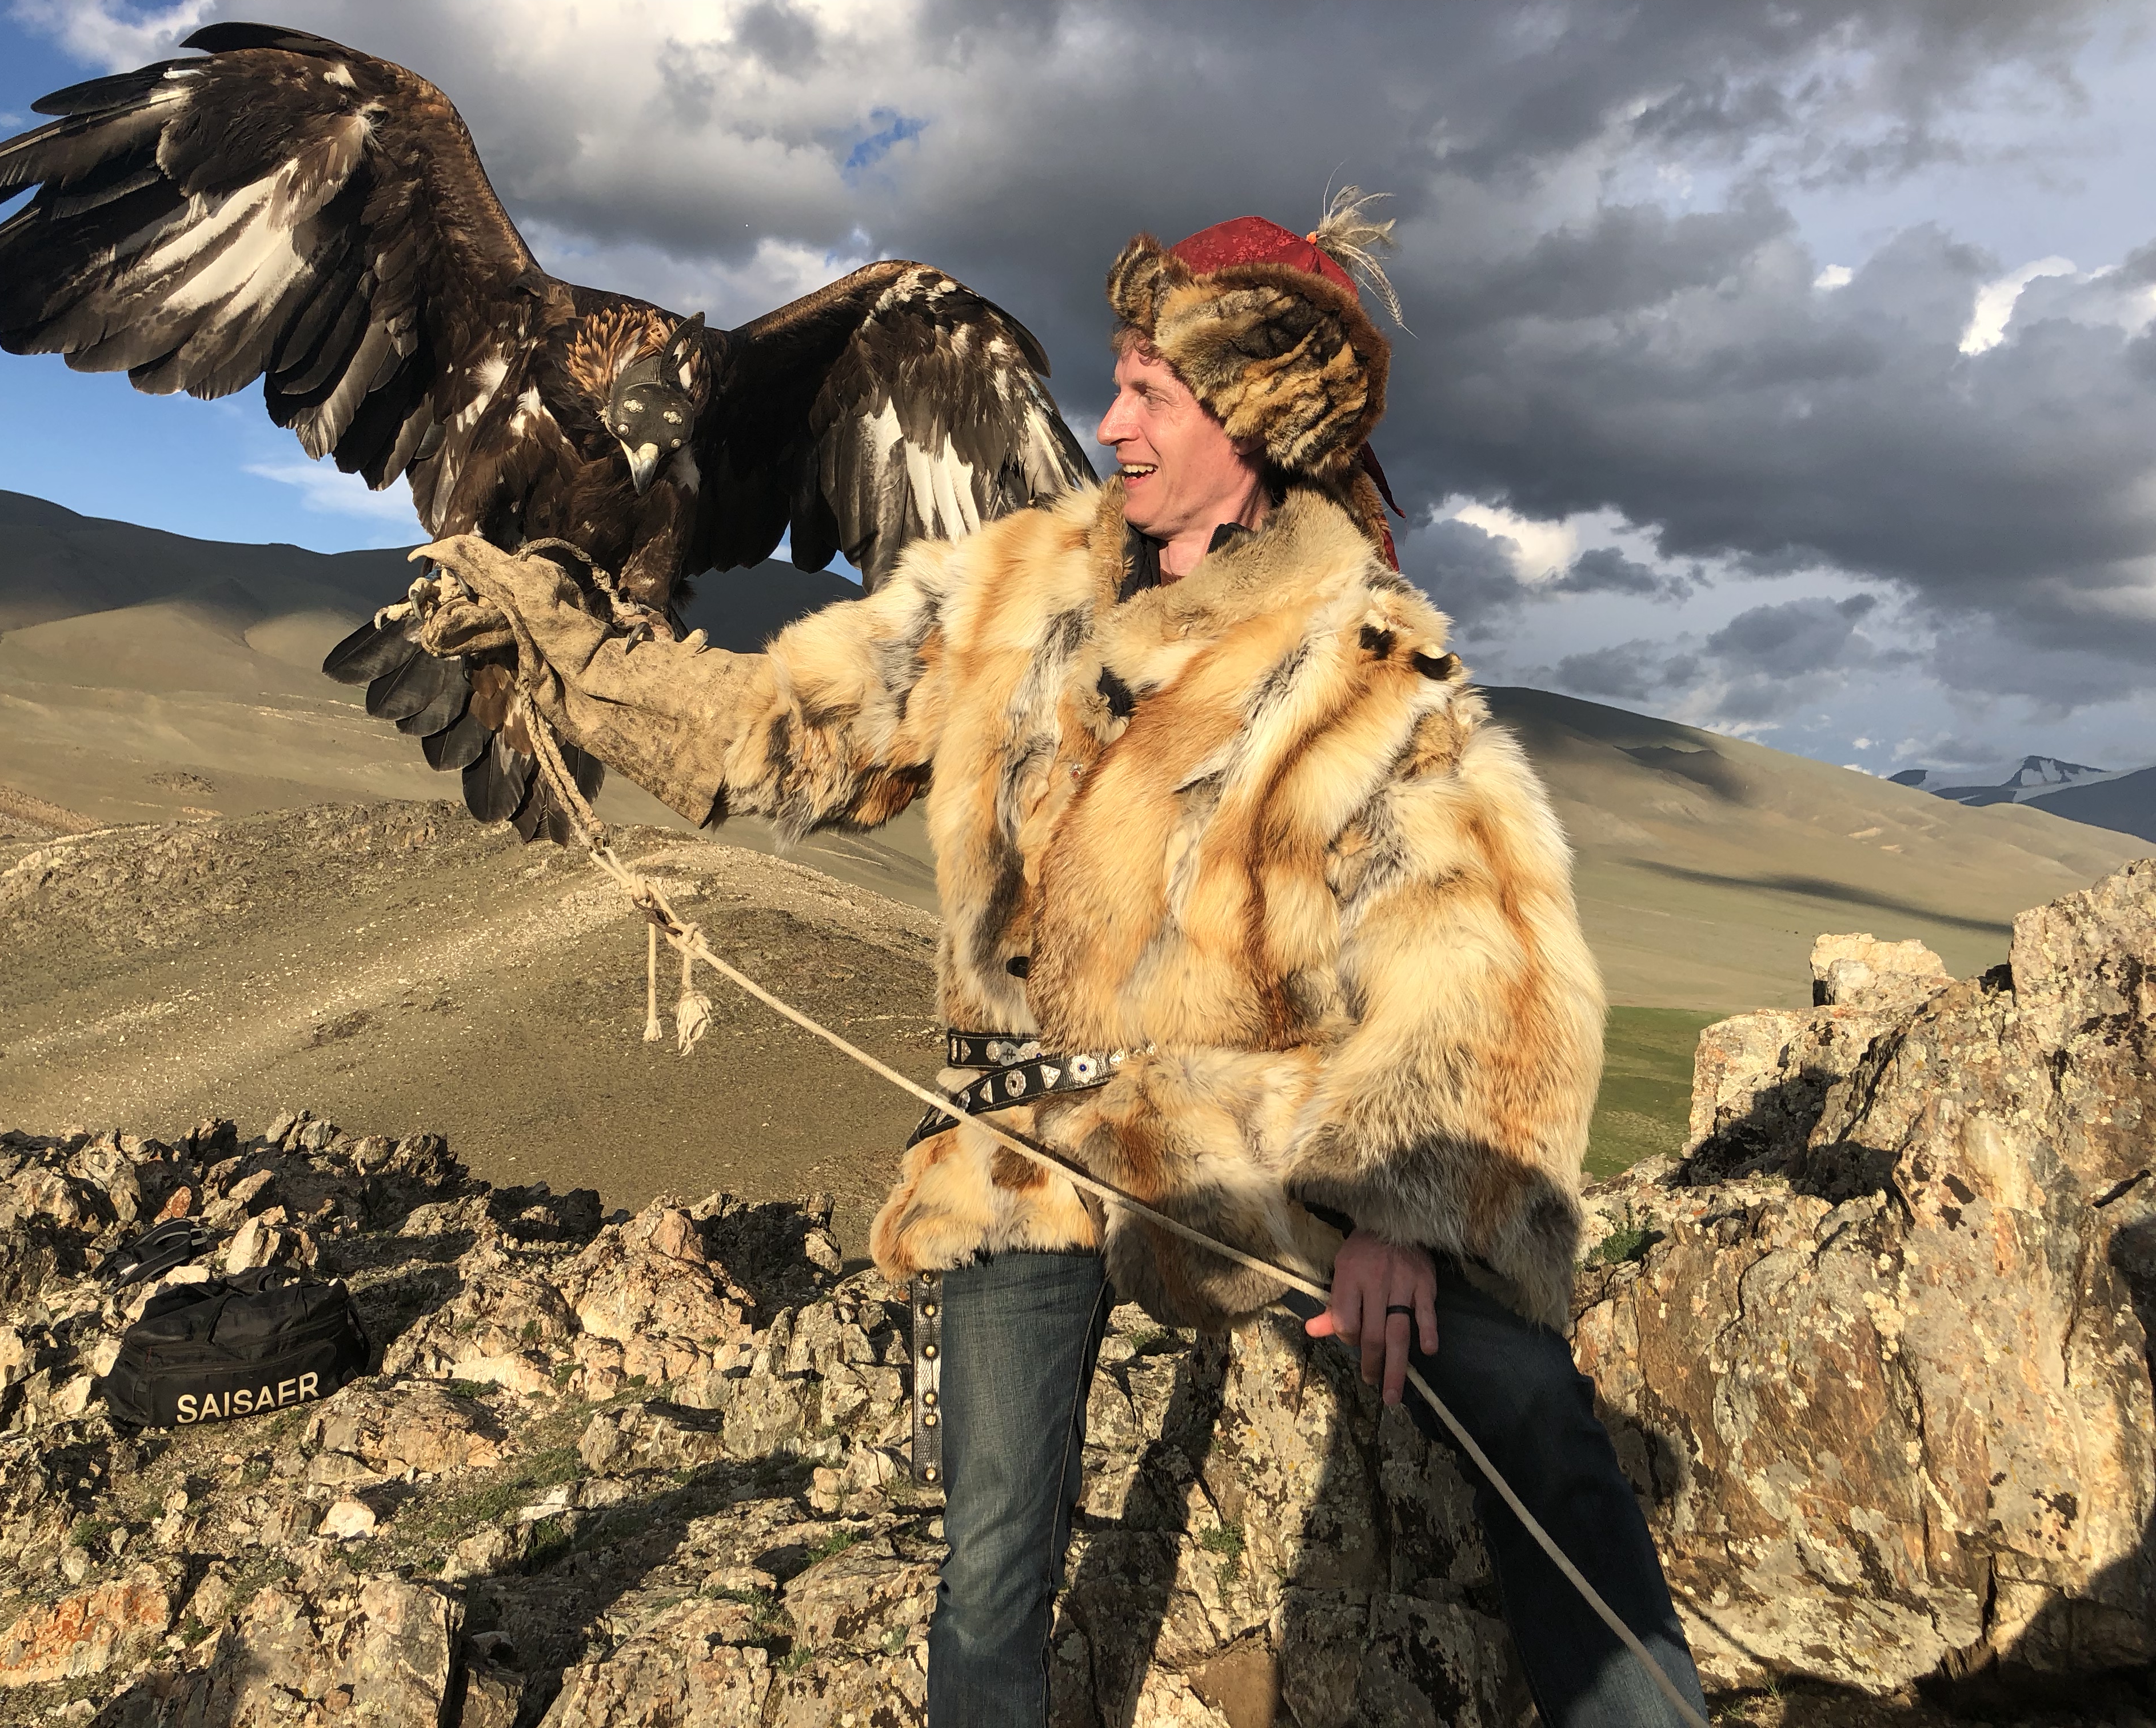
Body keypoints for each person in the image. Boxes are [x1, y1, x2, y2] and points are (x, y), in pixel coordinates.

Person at [417, 203, 1709, 1728]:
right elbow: (791, 726)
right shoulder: (1011, 586)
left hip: (1246, 1136)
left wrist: (1397, 1218)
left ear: (1252, 419)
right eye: (1120, 384)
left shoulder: (1363, 654)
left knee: (1535, 1420)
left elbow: (1475, 951)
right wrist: (564, 651)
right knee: (988, 1571)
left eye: (1151, 393)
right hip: (1015, 1143)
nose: (1110, 424)